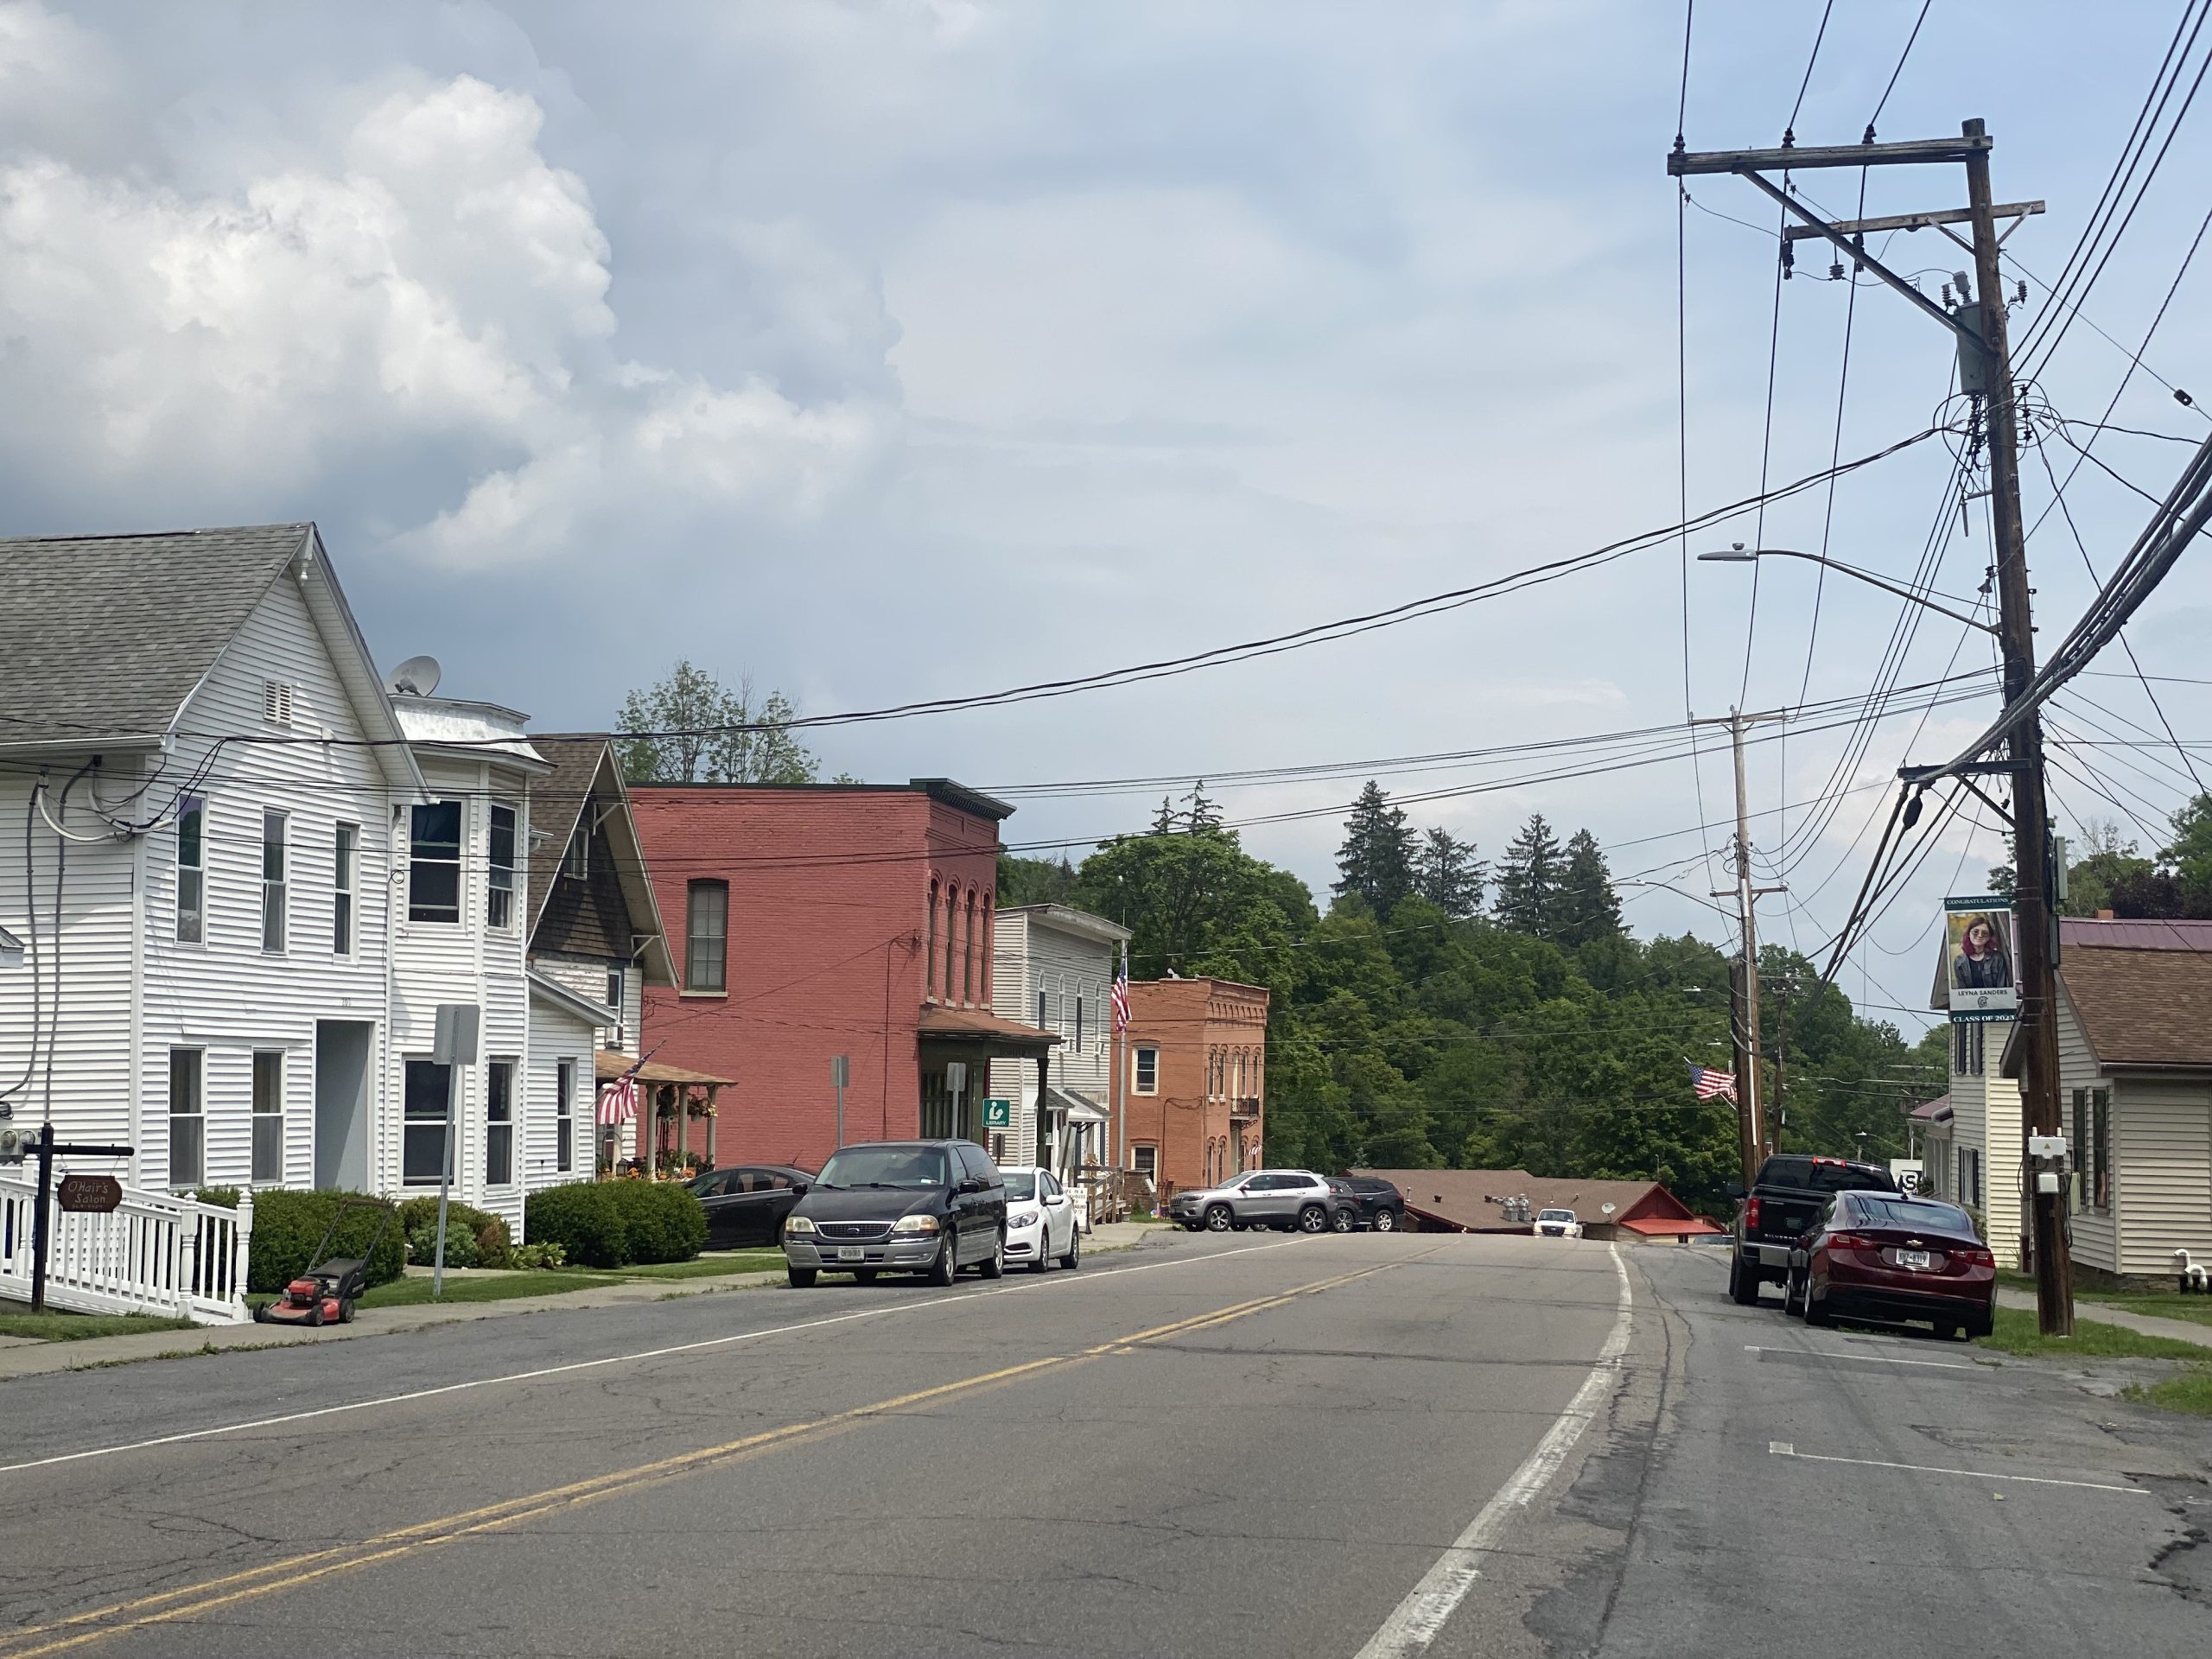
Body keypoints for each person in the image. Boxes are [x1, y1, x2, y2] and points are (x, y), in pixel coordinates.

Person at [1951, 914, 2012, 990]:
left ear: (1989, 937)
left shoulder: (1998, 958)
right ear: (1968, 934)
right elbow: (1961, 990)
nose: (1980, 935)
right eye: (1975, 932)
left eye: (1985, 933)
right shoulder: (1959, 961)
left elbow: (2002, 988)